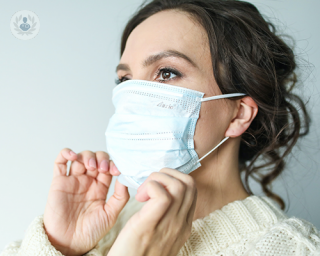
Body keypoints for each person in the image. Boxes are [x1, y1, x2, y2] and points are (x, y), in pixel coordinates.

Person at [1, 0, 319, 255]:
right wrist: (60, 246)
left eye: (166, 73)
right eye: (125, 80)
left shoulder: (292, 249)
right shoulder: (99, 228)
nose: (134, 97)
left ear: (238, 114)